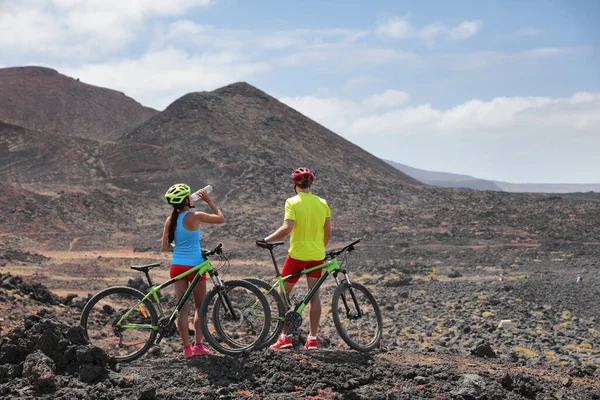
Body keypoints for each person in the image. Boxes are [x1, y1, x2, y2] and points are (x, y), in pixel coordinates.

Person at [261, 167, 331, 350]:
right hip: (317, 255)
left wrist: (265, 240)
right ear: (311, 183)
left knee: (284, 294)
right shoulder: (322, 203)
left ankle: (285, 337)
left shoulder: (292, 202)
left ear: (295, 184)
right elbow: (328, 232)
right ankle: (313, 339)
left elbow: (286, 229)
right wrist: (319, 248)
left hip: (298, 255)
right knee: (314, 296)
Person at [161, 183, 225, 358]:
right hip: (195, 266)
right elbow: (220, 218)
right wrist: (209, 200)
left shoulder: (170, 220)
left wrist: (181, 249)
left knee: (182, 309)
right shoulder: (195, 216)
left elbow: (165, 247)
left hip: (177, 267)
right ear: (186, 200)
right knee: (200, 307)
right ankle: (198, 346)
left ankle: (186, 349)